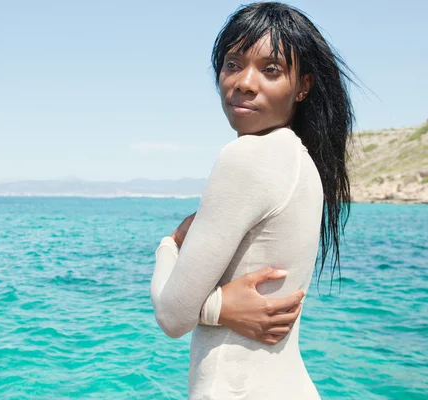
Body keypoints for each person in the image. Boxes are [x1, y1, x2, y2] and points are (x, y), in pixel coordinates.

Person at [150, 2, 353, 399]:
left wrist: (169, 244)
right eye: (233, 64)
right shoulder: (303, 162)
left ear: (304, 85)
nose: (244, 82)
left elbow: (172, 316)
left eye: (270, 69)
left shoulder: (247, 156)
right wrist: (220, 306)